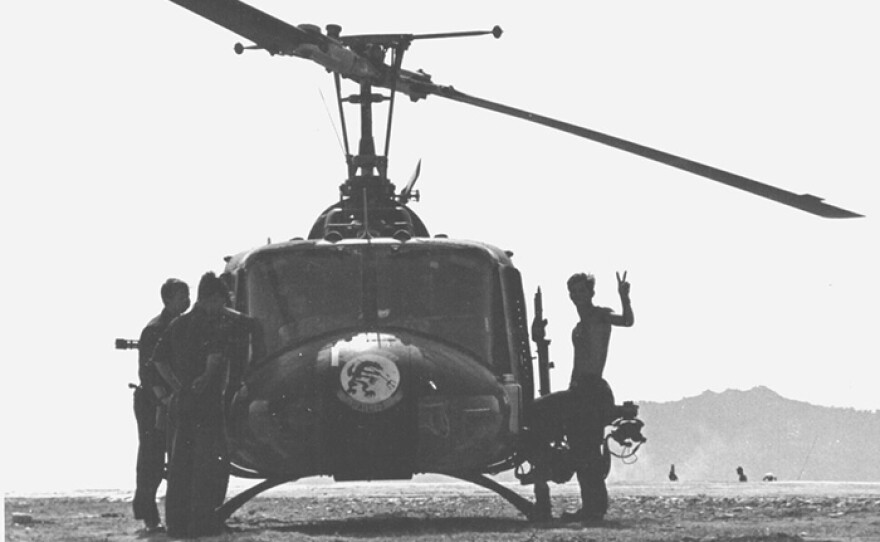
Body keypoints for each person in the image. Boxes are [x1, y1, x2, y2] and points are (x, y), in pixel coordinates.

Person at [152, 272, 263, 538]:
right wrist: (205, 378)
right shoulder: (214, 324)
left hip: (182, 402)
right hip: (206, 404)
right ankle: (202, 524)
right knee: (208, 466)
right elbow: (216, 358)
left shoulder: (177, 324)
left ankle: (177, 525)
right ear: (212, 299)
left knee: (180, 465)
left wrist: (178, 386)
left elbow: (158, 360)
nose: (221, 308)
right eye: (219, 302)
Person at [561, 271, 633, 522]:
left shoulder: (600, 315)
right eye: (573, 292)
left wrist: (624, 297)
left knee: (588, 451)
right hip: (579, 388)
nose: (577, 296)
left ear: (590, 293)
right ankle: (590, 506)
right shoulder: (578, 327)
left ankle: (596, 508)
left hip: (593, 389)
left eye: (581, 291)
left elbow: (626, 320)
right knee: (580, 451)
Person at [132, 278, 190, 533]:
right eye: (182, 296)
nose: (187, 301)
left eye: (188, 295)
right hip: (152, 401)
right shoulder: (155, 328)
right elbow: (148, 371)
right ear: (168, 300)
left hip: (171, 399)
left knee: (170, 458)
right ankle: (148, 515)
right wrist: (162, 400)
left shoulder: (183, 326)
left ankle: (151, 511)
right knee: (152, 459)